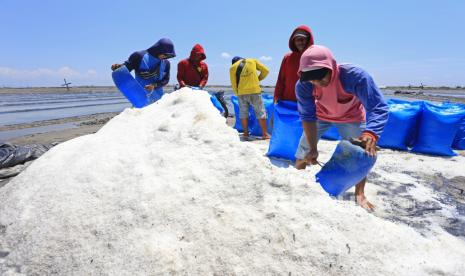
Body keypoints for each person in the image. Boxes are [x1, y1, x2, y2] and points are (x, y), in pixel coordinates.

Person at [294, 45, 389, 211]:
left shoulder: (354, 77)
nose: (317, 83)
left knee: (361, 153)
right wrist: (313, 148)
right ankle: (296, 185)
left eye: (320, 77)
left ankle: (360, 194)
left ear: (332, 66)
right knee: (304, 149)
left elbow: (377, 107)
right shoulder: (304, 85)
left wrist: (371, 133)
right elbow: (307, 117)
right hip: (321, 115)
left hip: (351, 116)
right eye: (311, 79)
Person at [111, 38, 176, 103]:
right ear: (159, 49)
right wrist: (118, 67)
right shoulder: (139, 56)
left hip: (159, 100)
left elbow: (165, 80)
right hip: (141, 98)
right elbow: (127, 68)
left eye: (169, 56)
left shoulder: (166, 63)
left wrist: (154, 85)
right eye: (165, 55)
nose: (166, 57)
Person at [229, 56, 270, 140]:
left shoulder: (232, 68)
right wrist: (258, 79)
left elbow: (233, 83)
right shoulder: (252, 60)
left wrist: (237, 93)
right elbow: (266, 71)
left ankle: (246, 133)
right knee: (260, 111)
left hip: (241, 92)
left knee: (243, 113)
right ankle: (265, 134)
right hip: (255, 90)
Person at [274, 25, 314, 103]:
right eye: (297, 39)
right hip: (287, 101)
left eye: (303, 39)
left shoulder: (314, 57)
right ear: (293, 42)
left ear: (309, 39)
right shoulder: (287, 58)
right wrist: (276, 96)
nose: (300, 42)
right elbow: (281, 80)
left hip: (308, 103)